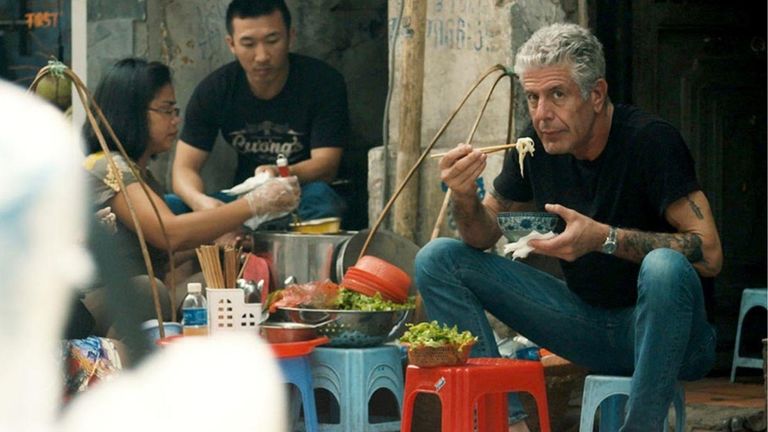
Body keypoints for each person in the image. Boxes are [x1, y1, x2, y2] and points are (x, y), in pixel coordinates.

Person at [415, 23, 722, 432]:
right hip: (588, 326)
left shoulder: (650, 141)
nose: (542, 115)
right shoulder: (536, 145)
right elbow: (482, 235)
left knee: (664, 267)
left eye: (557, 95)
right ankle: (506, 423)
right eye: (532, 97)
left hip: (675, 338)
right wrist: (464, 194)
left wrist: (605, 239)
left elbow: (710, 254)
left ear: (595, 94)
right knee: (438, 259)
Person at [81, 58, 300, 337]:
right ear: (133, 112)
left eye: (176, 110)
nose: (176, 120)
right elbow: (168, 234)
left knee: (223, 284)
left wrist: (216, 241)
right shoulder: (107, 166)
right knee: (150, 290)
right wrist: (253, 203)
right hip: (96, 306)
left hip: (135, 296)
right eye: (166, 110)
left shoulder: (142, 174)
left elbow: (161, 253)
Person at [171, 0, 349, 223]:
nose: (262, 56)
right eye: (248, 44)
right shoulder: (215, 89)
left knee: (323, 200)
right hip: (244, 201)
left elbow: (326, 165)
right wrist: (202, 204)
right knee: (172, 206)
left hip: (301, 195)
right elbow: (184, 169)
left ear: (290, 36)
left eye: (272, 40)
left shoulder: (323, 82)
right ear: (231, 44)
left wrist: (279, 173)